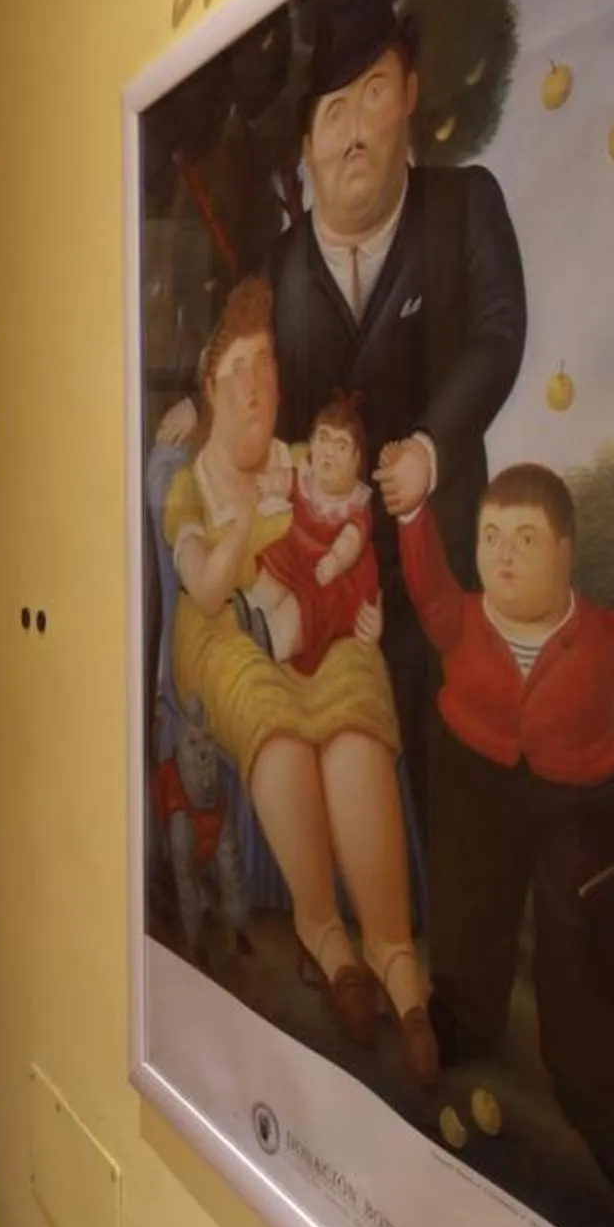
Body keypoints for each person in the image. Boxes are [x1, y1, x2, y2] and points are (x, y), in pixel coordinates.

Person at [163, 279, 438, 1085]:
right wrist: (244, 512)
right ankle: (326, 937)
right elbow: (207, 590)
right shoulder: (191, 483)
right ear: (213, 389)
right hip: (226, 635)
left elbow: (351, 531)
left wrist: (370, 614)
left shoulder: (303, 460)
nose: (257, 386)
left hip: (315, 624)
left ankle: (394, 957)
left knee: (353, 703)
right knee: (274, 720)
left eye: (267, 367)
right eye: (239, 369)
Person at [264, 0, 529, 804]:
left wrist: (432, 445)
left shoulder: (466, 206)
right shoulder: (278, 273)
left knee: (452, 775)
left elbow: (497, 333)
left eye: (372, 93)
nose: (351, 136)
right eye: (331, 112)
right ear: (307, 145)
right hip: (327, 582)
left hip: (439, 570)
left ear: (409, 95)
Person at [388, 460, 614, 1207]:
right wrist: (417, 514)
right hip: (475, 770)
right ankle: (466, 1020)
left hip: (580, 794)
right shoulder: (466, 617)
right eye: (490, 537)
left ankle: (606, 1112)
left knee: (591, 941)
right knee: (470, 908)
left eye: (524, 537)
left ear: (565, 550)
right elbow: (429, 590)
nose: (504, 554)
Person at [244, 393, 378, 679]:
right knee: (272, 569)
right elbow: (285, 480)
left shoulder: (354, 506)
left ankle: (276, 638)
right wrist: (267, 485)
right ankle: (255, 606)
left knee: (305, 605)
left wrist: (335, 561)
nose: (328, 451)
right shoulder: (306, 481)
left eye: (341, 446)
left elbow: (351, 541)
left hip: (330, 576)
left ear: (358, 463)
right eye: (323, 438)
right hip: (297, 555)